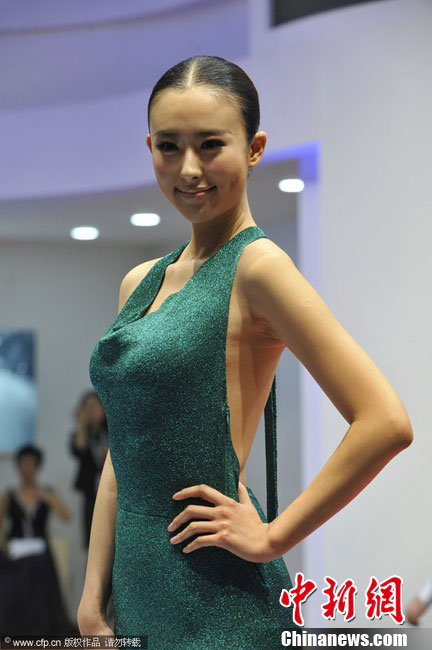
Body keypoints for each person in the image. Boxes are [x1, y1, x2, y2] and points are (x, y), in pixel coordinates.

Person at [76, 55, 413, 647]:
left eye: (211, 145)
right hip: (136, 594)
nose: (189, 168)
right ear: (149, 147)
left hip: (220, 600)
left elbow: (385, 421)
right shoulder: (139, 283)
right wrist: (91, 596)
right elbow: (122, 456)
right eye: (169, 146)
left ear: (254, 149)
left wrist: (272, 537)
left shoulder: (259, 269)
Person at [0, 444, 79, 635]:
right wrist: (3, 544)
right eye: (23, 464)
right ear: (18, 467)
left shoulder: (47, 492)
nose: (27, 469)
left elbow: (66, 517)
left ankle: (41, 625)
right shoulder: (10, 494)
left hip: (39, 548)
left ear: (38, 467)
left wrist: (49, 498)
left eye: (31, 464)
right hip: (15, 547)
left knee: (39, 570)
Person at [69, 390, 109, 549]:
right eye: (87, 407)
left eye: (95, 406)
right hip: (90, 491)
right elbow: (79, 450)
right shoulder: (80, 434)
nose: (92, 411)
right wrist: (81, 422)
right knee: (91, 536)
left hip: (112, 489)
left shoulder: (110, 431)